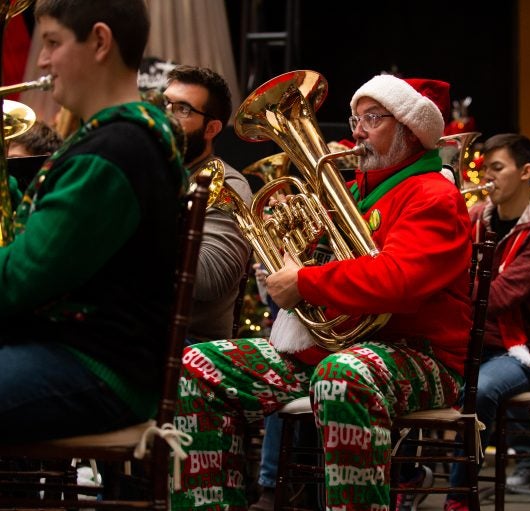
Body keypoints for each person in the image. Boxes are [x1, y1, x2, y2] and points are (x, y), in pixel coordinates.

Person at [170, 74, 473, 511]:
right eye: (355, 118)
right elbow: (326, 269)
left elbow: (398, 280)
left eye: (373, 118)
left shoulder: (434, 195)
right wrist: (294, 241)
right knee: (195, 365)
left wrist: (306, 281)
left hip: (421, 356)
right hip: (342, 348)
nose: (357, 129)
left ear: (408, 128)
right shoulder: (353, 193)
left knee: (343, 374)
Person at [0, 0, 186, 442]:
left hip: (97, 369)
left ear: (100, 41)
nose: (42, 60)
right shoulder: (115, 139)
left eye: (52, 43)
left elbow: (20, 279)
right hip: (74, 357)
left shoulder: (116, 151)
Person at [442, 133, 530, 511]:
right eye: (487, 169)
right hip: (466, 342)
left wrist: (448, 280)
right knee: (412, 373)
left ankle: (458, 499)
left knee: (479, 392)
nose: (488, 178)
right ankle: (411, 477)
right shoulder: (478, 217)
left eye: (497, 168)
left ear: (525, 172)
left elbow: (497, 297)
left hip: (519, 352)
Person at [163, 65, 252, 342]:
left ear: (211, 128)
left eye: (183, 109)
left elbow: (210, 279)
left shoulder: (228, 186)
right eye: (165, 103)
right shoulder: (147, 168)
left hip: (187, 342)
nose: (166, 116)